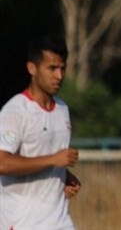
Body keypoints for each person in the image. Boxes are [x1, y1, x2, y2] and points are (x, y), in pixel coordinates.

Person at [0, 35, 81, 230]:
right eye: (52, 68)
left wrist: (63, 175)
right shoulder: (15, 111)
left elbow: (42, 156)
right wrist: (53, 160)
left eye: (62, 68)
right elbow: (3, 163)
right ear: (32, 68)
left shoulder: (62, 109)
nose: (59, 76)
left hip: (59, 221)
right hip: (23, 223)